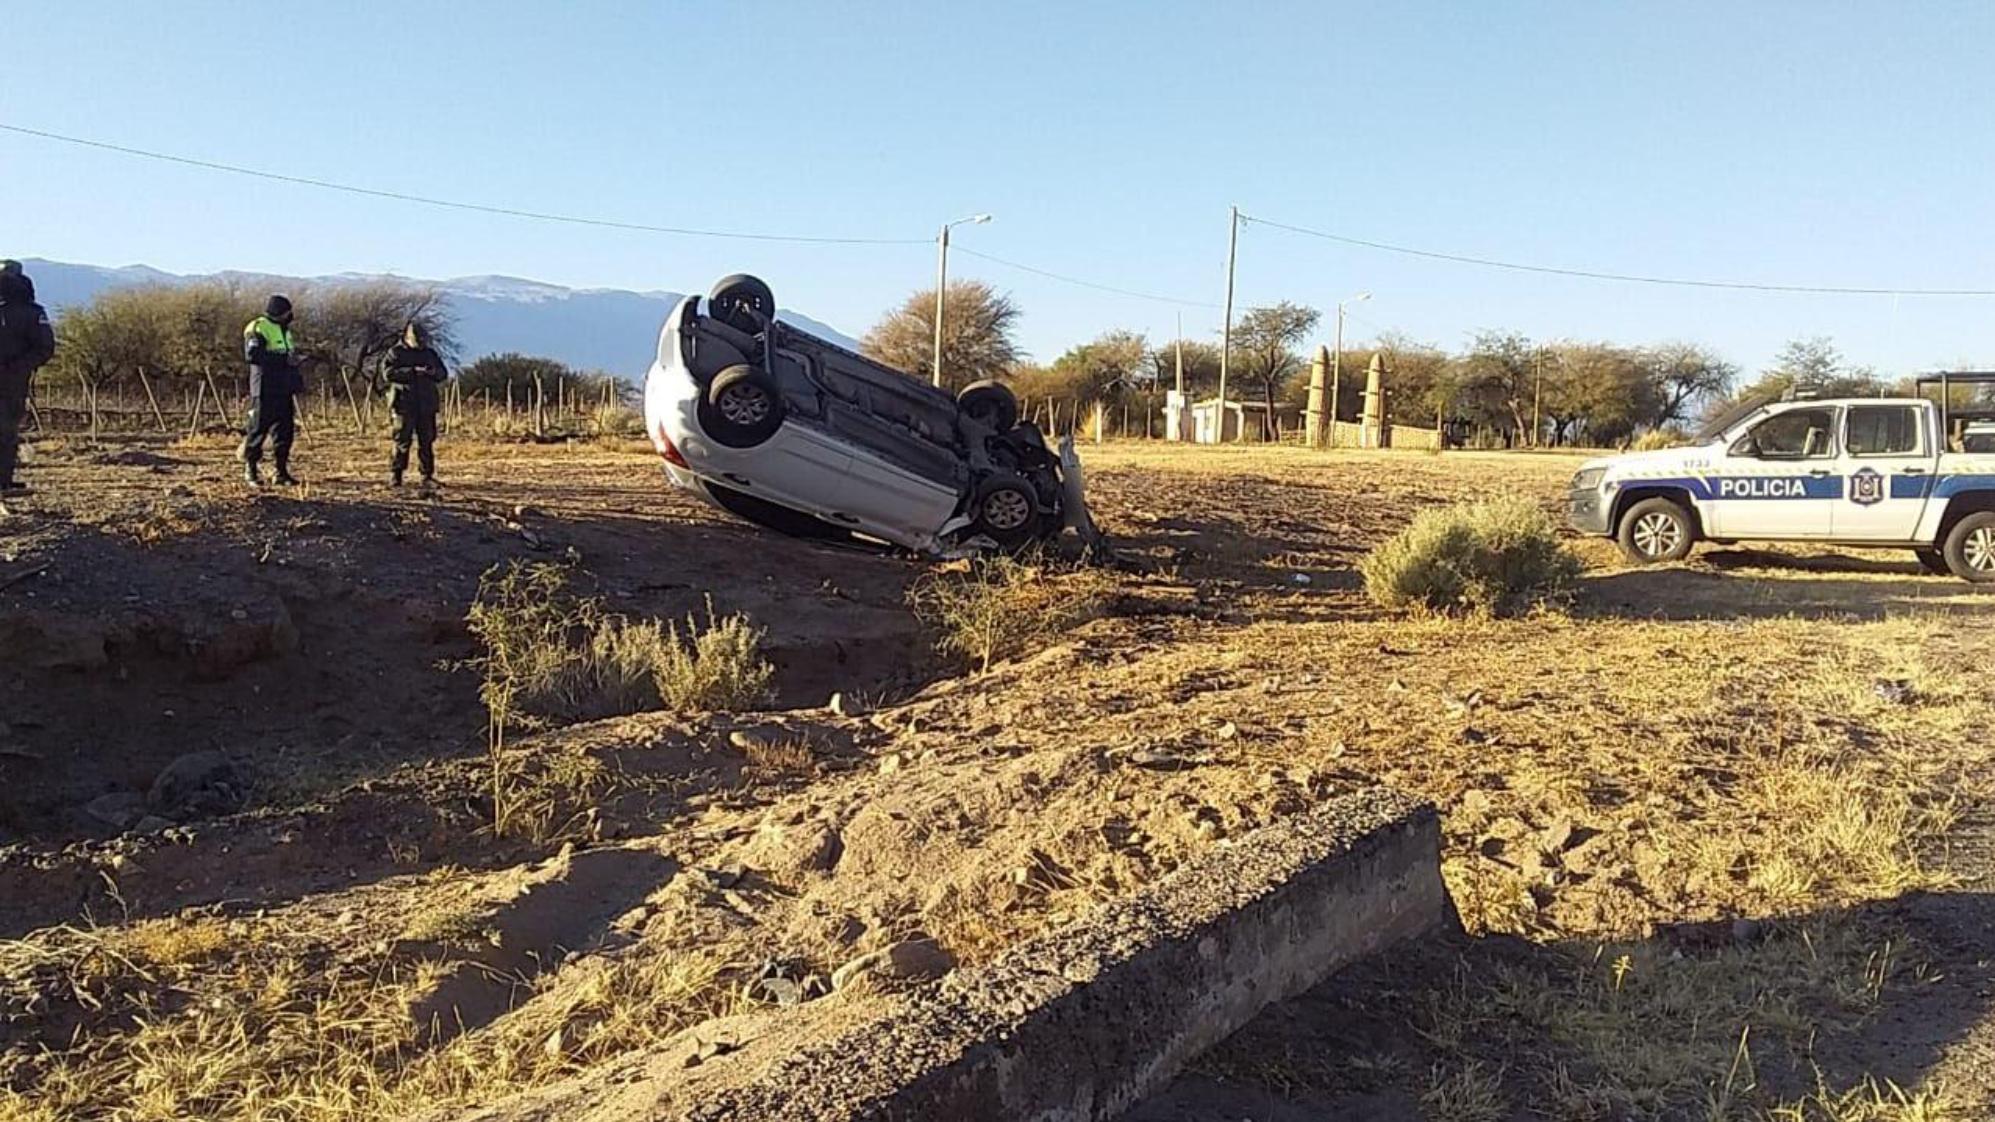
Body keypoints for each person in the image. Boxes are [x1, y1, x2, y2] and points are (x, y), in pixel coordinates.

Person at [0, 261, 56, 495]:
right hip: (14, 380)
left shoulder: (30, 311)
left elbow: (44, 348)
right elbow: (45, 347)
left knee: (7, 430)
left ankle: (3, 481)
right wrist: (19, 368)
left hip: (12, 380)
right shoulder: (32, 311)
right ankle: (3, 481)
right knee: (7, 431)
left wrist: (15, 368)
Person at [241, 295, 302, 485]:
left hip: (284, 389)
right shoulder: (258, 327)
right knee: (257, 431)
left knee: (284, 433)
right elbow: (253, 356)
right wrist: (283, 360)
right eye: (286, 312)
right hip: (264, 389)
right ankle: (251, 470)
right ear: (277, 312)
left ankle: (280, 472)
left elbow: (286, 355)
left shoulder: (285, 330)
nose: (290, 315)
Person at [380, 321, 448, 486]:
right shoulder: (395, 353)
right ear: (407, 338)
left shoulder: (429, 354)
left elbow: (442, 373)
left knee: (427, 441)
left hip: (426, 405)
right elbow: (388, 374)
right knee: (402, 441)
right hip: (404, 404)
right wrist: (412, 372)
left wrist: (431, 373)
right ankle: (396, 475)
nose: (420, 344)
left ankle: (427, 476)